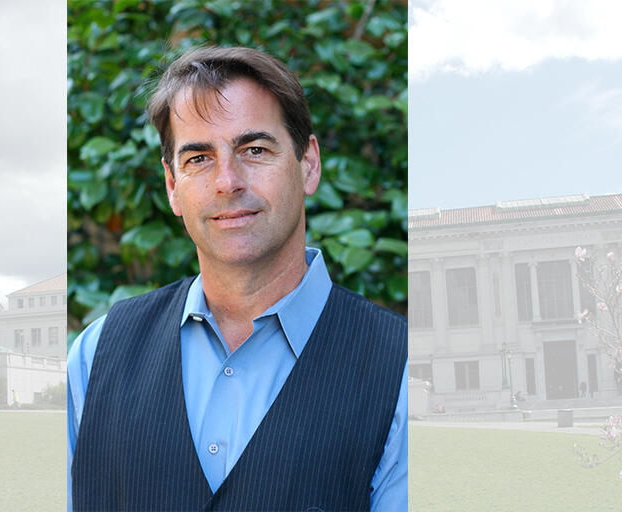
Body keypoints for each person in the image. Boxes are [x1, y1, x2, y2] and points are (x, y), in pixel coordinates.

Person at [68, 46, 407, 511]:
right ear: (172, 186)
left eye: (255, 150)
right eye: (198, 158)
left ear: (308, 164)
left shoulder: (400, 368)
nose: (227, 181)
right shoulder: (95, 356)